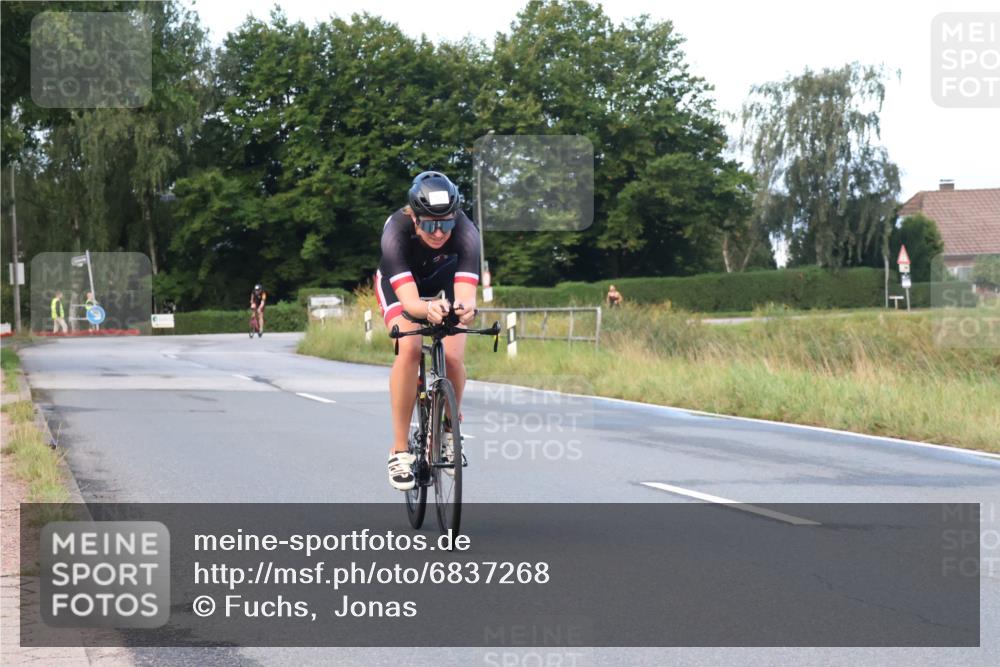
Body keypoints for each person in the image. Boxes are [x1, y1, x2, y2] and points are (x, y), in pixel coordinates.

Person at [376, 171, 480, 490]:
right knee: (408, 348)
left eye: (446, 223)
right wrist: (427, 310)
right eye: (431, 224)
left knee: (452, 355)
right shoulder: (395, 232)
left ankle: (449, 430)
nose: (439, 233)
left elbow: (467, 301)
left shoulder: (467, 233)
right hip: (401, 287)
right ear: (414, 218)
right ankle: (400, 450)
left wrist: (462, 310)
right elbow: (410, 303)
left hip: (444, 283)